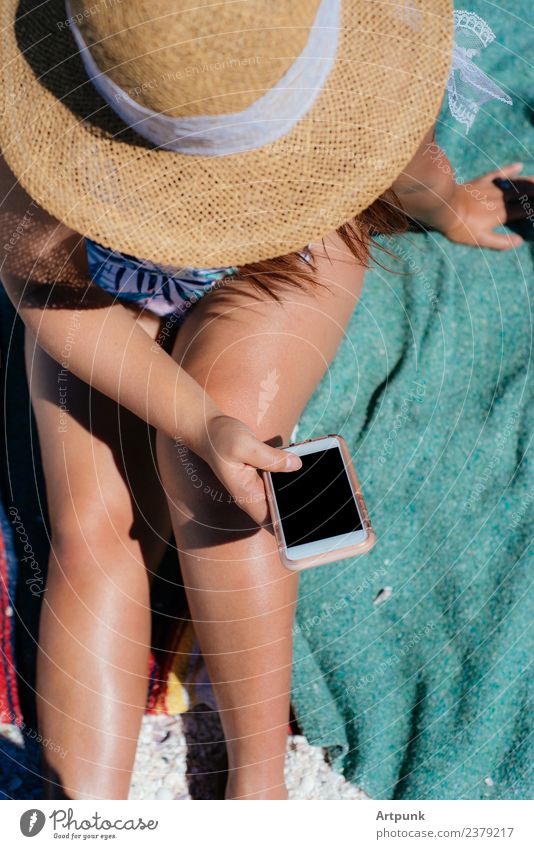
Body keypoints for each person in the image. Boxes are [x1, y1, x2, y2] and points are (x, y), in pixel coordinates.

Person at [0, 0, 527, 800]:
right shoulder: (39, 131)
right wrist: (192, 417)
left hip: (286, 248)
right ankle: (83, 817)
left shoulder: (327, 76)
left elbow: (398, 151)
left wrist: (441, 203)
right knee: (93, 519)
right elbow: (43, 281)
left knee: (226, 473)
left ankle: (258, 788)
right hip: (102, 272)